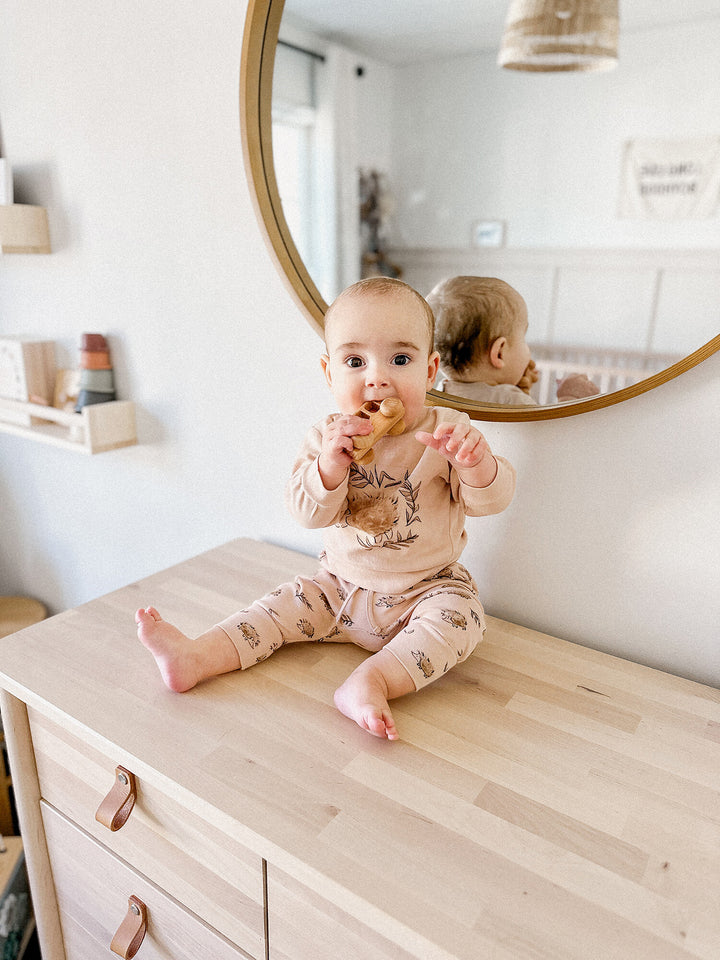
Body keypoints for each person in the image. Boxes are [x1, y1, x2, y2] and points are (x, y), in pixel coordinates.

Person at [136, 277, 516, 740]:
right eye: (355, 361)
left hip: (425, 590)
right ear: (329, 372)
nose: (377, 378)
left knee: (464, 618)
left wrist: (479, 466)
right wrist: (329, 469)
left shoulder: (449, 432)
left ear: (430, 369)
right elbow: (306, 512)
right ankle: (196, 655)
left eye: (400, 359)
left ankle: (372, 680)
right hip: (338, 587)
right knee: (273, 609)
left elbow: (489, 502)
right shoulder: (327, 438)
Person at [427, 275, 598, 404]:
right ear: (499, 353)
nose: (527, 347)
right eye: (523, 338)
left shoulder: (441, 393)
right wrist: (569, 399)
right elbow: (548, 440)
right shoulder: (512, 402)